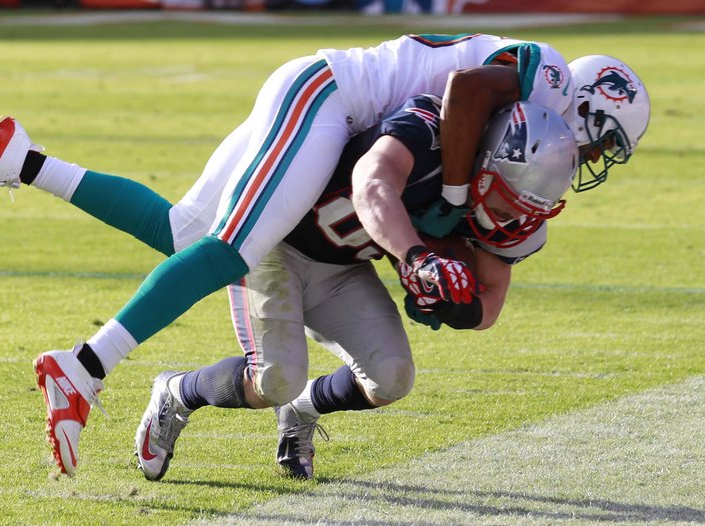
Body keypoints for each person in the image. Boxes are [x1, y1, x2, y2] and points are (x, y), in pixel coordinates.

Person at [0, 31, 649, 476]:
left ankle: (22, 161)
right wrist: (440, 224)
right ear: (585, 102)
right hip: (330, 94)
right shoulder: (525, 83)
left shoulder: (518, 158)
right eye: (604, 138)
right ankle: (86, 367)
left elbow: (484, 295)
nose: (596, 157)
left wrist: (445, 290)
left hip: (341, 188)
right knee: (233, 249)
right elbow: (445, 108)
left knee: (185, 235)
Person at [134, 98, 580, 481]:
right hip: (273, 242)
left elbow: (491, 302)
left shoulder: (492, 201)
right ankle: (176, 392)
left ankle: (303, 408)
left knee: (392, 378)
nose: (513, 218)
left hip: (341, 268)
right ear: (487, 165)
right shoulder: (425, 130)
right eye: (508, 199)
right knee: (274, 379)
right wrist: (418, 259)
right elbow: (372, 187)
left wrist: (453, 303)